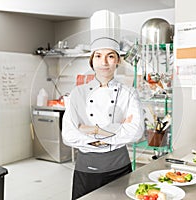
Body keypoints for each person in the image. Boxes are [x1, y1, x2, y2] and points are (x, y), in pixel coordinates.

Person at [62, 36, 144, 200]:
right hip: (87, 165)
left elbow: (136, 132)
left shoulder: (129, 93)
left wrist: (90, 130)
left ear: (118, 61)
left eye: (110, 56)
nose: (104, 62)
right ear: (91, 61)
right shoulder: (78, 93)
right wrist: (116, 129)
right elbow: (68, 135)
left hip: (119, 163)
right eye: (98, 56)